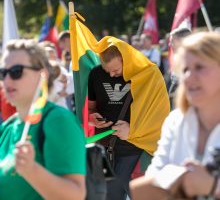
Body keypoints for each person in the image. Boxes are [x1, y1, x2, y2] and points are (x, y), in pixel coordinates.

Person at [130, 32, 220, 199]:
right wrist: (177, 177)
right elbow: (145, 187)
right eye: (185, 69)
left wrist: (213, 186)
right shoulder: (175, 121)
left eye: (199, 67)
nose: (188, 77)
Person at [0, 39, 86, 200]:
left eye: (16, 71)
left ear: (42, 74)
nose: (7, 80)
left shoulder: (58, 120)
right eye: (3, 73)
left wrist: (32, 170)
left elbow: (75, 195)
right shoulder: (8, 127)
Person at [88, 39, 170, 200]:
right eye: (107, 70)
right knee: (106, 196)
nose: (111, 74)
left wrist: (132, 131)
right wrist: (92, 116)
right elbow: (90, 108)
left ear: (127, 59)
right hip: (103, 150)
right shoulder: (96, 74)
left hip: (135, 151)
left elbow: (160, 117)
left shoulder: (150, 74)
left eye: (116, 70)